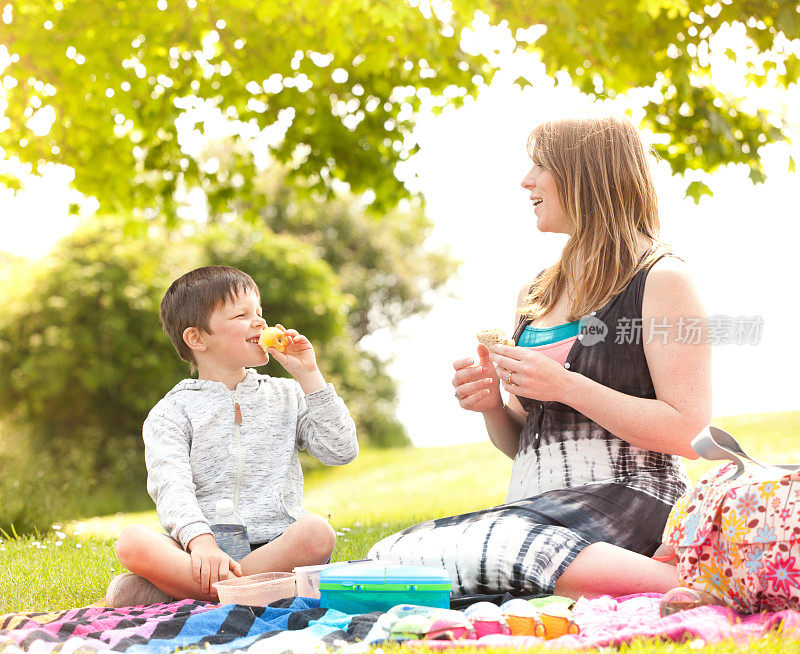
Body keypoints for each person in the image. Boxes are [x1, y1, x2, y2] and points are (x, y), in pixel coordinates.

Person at [368, 116, 712, 600]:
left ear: (587, 175)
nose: (525, 180)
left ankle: (694, 583)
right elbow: (530, 444)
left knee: (507, 543)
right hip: (538, 510)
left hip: (633, 498)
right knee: (393, 554)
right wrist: (492, 406)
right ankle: (609, 581)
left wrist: (566, 385)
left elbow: (689, 432)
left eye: (541, 165)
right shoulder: (537, 291)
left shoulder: (664, 279)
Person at [106, 265, 358, 606]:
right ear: (197, 338)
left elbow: (340, 450)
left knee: (317, 532)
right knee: (132, 541)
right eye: (242, 315)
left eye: (260, 313)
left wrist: (310, 377)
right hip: (198, 553)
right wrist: (202, 543)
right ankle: (255, 590)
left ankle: (194, 594)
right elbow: (172, 486)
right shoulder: (171, 412)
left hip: (275, 546)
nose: (260, 323)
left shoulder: (287, 394)